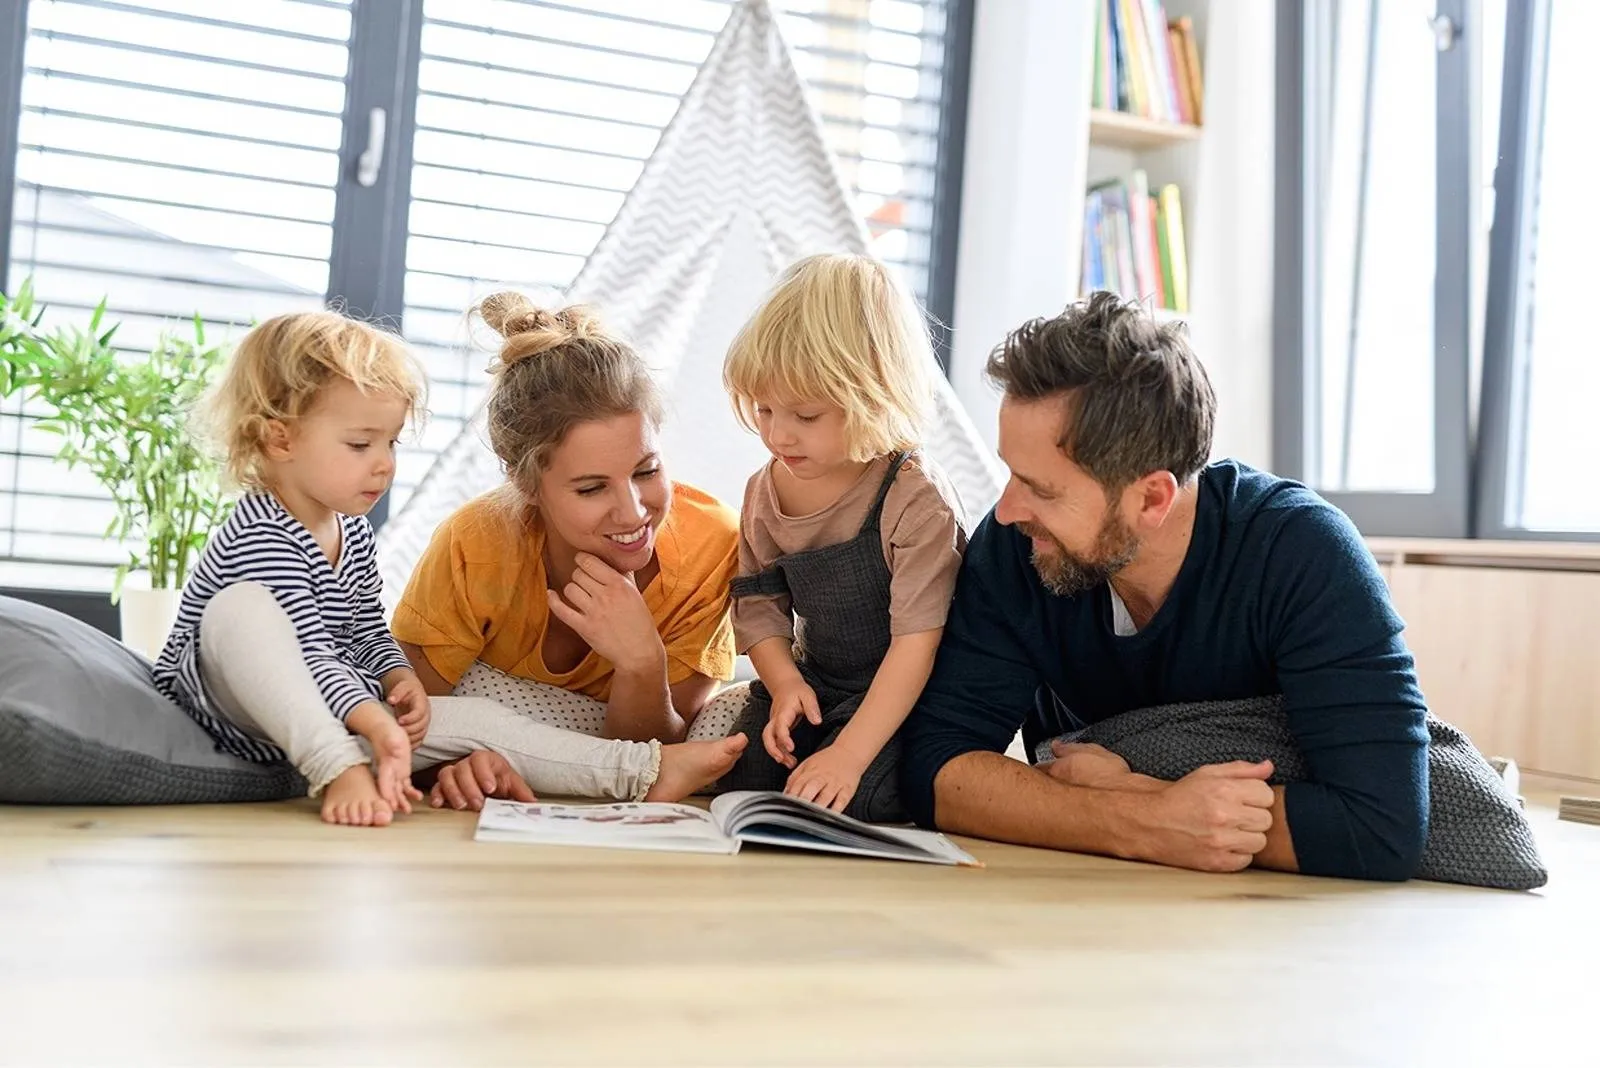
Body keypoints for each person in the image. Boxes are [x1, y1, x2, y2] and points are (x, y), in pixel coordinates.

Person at [901, 292, 1430, 880]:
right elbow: (937, 766)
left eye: (1042, 489)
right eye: (1010, 474)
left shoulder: (1303, 553)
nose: (1005, 510)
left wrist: (1140, 796)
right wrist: (1141, 822)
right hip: (1082, 901)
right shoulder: (1017, 548)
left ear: (1153, 497)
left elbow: (1384, 824)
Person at [152, 310, 745, 828]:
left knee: (479, 718)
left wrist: (395, 683)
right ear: (279, 441)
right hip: (253, 708)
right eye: (361, 446)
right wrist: (379, 721)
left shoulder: (348, 527)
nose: (384, 467)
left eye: (646, 470)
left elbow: (362, 630)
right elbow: (306, 651)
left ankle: (640, 772)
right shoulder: (265, 533)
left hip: (344, 713)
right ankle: (336, 767)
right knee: (242, 611)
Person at [391, 293, 751, 807]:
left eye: (646, 471)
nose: (632, 514)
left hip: (637, 742)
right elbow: (418, 719)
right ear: (527, 484)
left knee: (731, 717)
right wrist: (457, 765)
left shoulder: (712, 543)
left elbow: (658, 750)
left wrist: (641, 661)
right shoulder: (476, 543)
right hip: (509, 726)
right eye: (591, 488)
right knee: (459, 696)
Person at [713, 253, 967, 821]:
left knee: (865, 795)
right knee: (741, 773)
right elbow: (758, 606)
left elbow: (917, 644)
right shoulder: (765, 490)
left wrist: (848, 757)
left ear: (873, 394)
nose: (778, 434)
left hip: (907, 694)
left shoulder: (914, 497)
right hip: (817, 684)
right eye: (764, 409)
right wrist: (782, 683)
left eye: (805, 415)